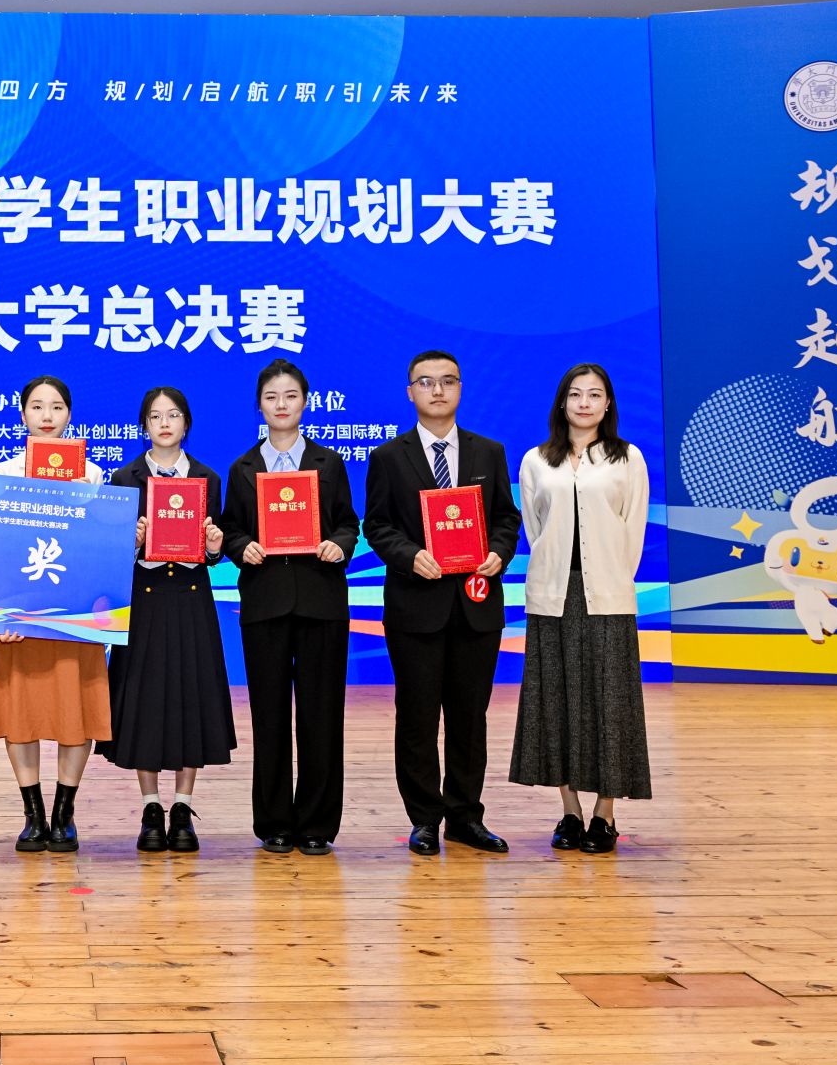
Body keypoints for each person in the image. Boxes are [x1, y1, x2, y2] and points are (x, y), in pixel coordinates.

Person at [363, 350, 523, 857]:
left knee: (469, 717)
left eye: (448, 381)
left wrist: (498, 553)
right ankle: (425, 818)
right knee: (417, 717)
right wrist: (410, 557)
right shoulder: (389, 457)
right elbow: (377, 525)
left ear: (461, 389)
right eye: (426, 382)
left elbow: (506, 518)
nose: (437, 390)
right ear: (410, 391)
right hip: (416, 606)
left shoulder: (488, 452)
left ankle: (465, 816)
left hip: (476, 605)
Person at [509, 363, 653, 854]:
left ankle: (604, 814)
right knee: (556, 703)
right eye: (576, 394)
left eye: (595, 394)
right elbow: (535, 529)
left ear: (608, 403)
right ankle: (570, 811)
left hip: (608, 596)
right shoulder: (536, 461)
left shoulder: (627, 458)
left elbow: (633, 530)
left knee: (609, 704)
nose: (585, 403)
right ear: (562, 402)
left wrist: (611, 580)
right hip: (553, 596)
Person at [219, 359, 360, 856]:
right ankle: (275, 821)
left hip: (321, 601)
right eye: (272, 397)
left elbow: (348, 523)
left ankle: (318, 824)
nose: (281, 405)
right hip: (266, 603)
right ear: (259, 405)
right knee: (270, 716)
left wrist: (339, 544)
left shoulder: (328, 463)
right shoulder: (243, 468)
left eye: (291, 395)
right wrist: (243, 547)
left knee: (322, 716)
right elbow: (230, 528)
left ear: (305, 401)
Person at [0, 375, 110, 852]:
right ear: (23, 415)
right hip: (18, 617)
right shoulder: (2, 473)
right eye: (36, 406)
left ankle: (64, 814)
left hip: (73, 618)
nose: (46, 416)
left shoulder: (93, 476)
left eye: (56, 407)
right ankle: (32, 814)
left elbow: (100, 552)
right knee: (22, 713)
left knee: (76, 713)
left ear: (69, 414)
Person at [98, 387, 235, 853]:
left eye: (173, 415)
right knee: (146, 700)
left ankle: (182, 807)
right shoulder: (124, 477)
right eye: (155, 416)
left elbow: (213, 553)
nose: (164, 424)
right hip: (146, 600)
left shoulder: (206, 477)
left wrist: (213, 547)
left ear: (186, 423)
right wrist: (132, 542)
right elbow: (110, 553)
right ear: (144, 425)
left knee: (190, 696)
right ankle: (151, 807)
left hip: (191, 598)